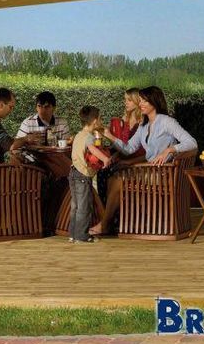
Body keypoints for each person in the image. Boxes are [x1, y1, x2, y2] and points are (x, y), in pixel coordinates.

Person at [89, 86, 197, 236]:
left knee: (119, 181)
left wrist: (170, 149)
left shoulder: (167, 122)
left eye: (144, 101)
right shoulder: (144, 126)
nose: (141, 104)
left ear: (154, 101)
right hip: (148, 171)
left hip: (163, 174)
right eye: (140, 101)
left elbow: (192, 142)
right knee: (112, 179)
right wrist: (108, 134)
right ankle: (114, 222)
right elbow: (128, 149)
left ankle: (105, 224)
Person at [69, 106, 111, 243]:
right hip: (82, 175)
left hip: (73, 172)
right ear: (94, 121)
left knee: (75, 206)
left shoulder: (78, 135)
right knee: (84, 207)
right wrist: (105, 158)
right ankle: (82, 236)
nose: (100, 121)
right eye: (99, 118)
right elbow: (93, 149)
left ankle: (73, 234)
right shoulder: (89, 137)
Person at [96, 88, 145, 204]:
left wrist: (130, 161)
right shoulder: (125, 120)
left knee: (109, 172)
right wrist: (116, 155)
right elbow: (125, 145)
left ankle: (111, 213)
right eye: (125, 100)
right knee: (102, 170)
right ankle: (106, 210)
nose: (125, 103)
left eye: (129, 100)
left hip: (137, 163)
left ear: (138, 101)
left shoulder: (142, 121)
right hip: (124, 159)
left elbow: (145, 151)